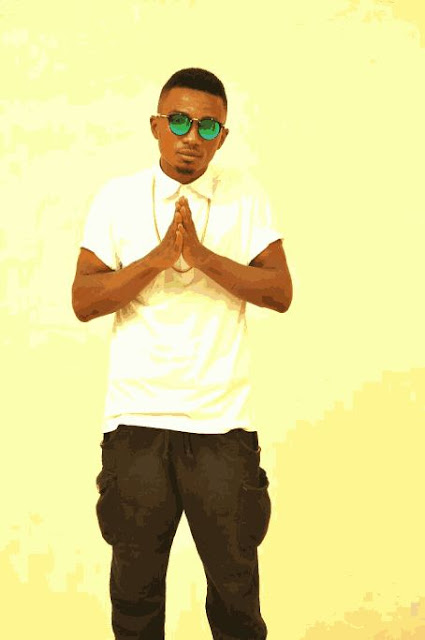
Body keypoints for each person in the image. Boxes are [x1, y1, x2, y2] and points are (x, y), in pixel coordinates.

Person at [72, 67, 292, 640]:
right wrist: (156, 259)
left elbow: (280, 291)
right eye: (178, 121)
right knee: (135, 601)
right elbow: (84, 300)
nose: (191, 136)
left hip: (222, 427)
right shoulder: (117, 198)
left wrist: (201, 255)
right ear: (156, 126)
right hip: (136, 424)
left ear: (223, 135)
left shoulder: (246, 196)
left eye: (207, 126)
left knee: (237, 602)